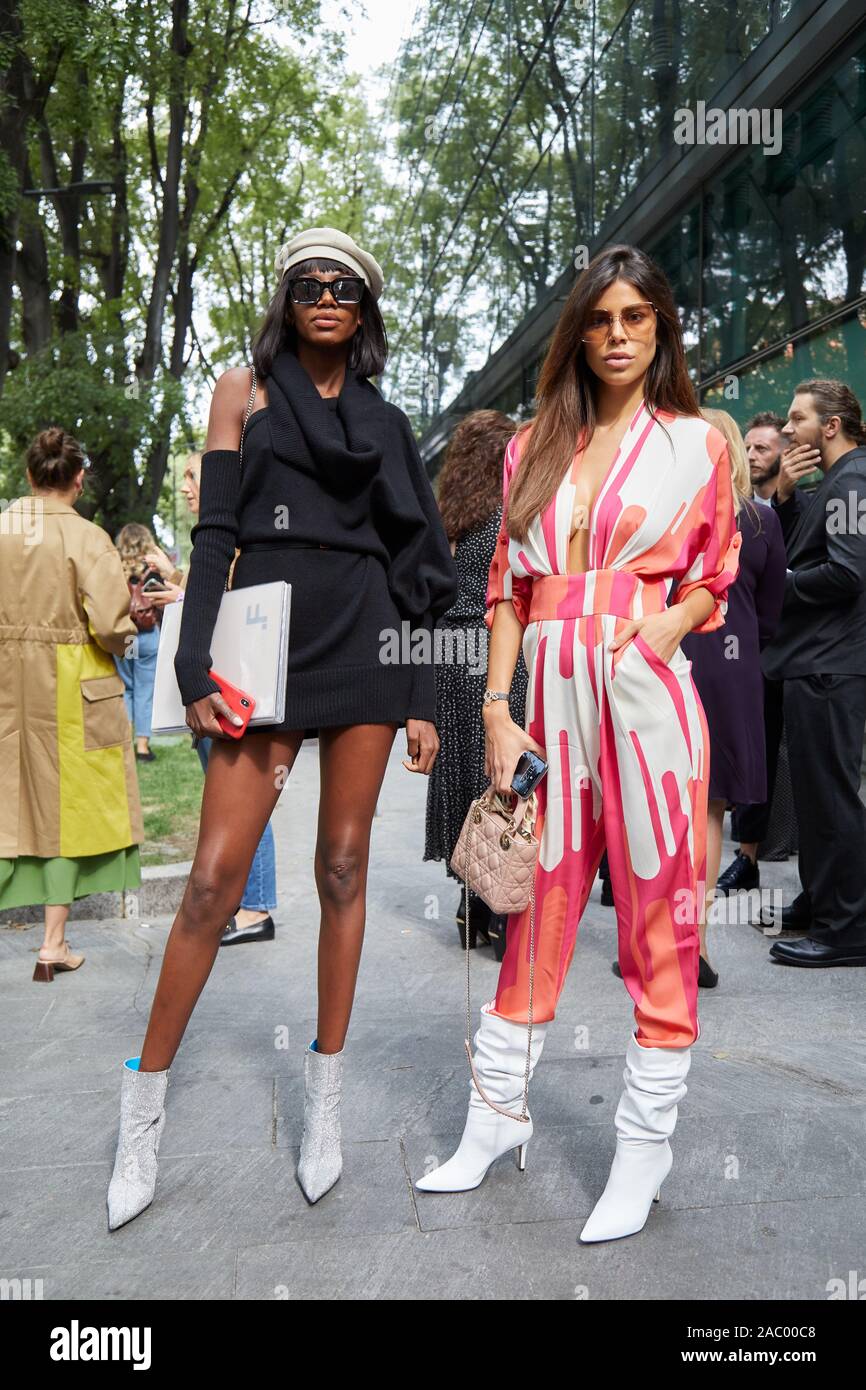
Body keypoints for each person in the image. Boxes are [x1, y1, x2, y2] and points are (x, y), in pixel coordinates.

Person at [106, 226, 459, 1229]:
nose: (324, 295)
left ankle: (326, 1102)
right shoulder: (240, 392)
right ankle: (142, 1114)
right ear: (284, 296)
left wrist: (430, 694)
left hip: (365, 636)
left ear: (364, 307)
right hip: (262, 634)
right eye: (306, 281)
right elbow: (214, 528)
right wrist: (189, 656)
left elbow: (419, 557)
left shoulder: (386, 423)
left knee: (342, 863)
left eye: (343, 284)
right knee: (215, 878)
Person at [415, 244, 741, 1247]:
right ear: (577, 333)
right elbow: (505, 589)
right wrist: (493, 710)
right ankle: (494, 1119)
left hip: (642, 693)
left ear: (659, 330)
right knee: (531, 908)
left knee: (657, 912)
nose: (615, 336)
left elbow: (714, 570)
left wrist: (659, 628)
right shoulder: (530, 448)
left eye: (634, 318)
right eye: (599, 319)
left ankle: (642, 1149)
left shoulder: (697, 444)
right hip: (544, 699)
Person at [0, 428, 143, 979]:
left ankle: (53, 946)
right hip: (70, 687)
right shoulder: (88, 538)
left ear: (30, 476)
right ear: (78, 480)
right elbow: (110, 626)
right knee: (65, 816)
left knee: (13, 805)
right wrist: (132, 629)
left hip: (9, 686)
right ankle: (50, 944)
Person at [146, 457, 278, 947]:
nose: (184, 489)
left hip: (230, 693)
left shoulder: (236, 538)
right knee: (230, 798)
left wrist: (179, 595)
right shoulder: (219, 535)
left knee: (243, 798)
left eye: (191, 477)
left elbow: (234, 605)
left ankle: (256, 908)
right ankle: (246, 903)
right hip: (217, 692)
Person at [677, 409, 786, 981]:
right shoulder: (763, 521)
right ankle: (693, 944)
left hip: (669, 663)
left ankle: (653, 944)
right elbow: (770, 617)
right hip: (735, 676)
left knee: (659, 806)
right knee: (710, 810)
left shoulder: (675, 515)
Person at [761, 379, 866, 965]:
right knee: (816, 796)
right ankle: (822, 901)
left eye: (797, 419)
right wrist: (783, 494)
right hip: (817, 662)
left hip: (832, 664)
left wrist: (779, 588)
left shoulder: (853, 477)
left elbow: (848, 573)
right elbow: (806, 544)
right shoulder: (836, 480)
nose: (785, 429)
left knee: (831, 799)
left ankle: (847, 927)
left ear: (830, 426)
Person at [423, 410, 529, 957]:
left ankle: (470, 903)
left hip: (449, 652)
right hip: (493, 649)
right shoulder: (511, 517)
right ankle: (503, 910)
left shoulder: (446, 518)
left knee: (465, 778)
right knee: (504, 778)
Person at [719, 411, 790, 894]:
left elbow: (773, 601)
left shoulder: (781, 509)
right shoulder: (715, 511)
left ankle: (749, 854)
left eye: (763, 447)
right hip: (720, 650)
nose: (752, 454)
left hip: (764, 654)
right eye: (747, 446)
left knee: (751, 756)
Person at [114, 523, 163, 762]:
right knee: (145, 690)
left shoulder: (115, 568)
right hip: (148, 636)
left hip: (125, 636)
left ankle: (124, 742)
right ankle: (142, 747)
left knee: (127, 688)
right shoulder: (153, 569)